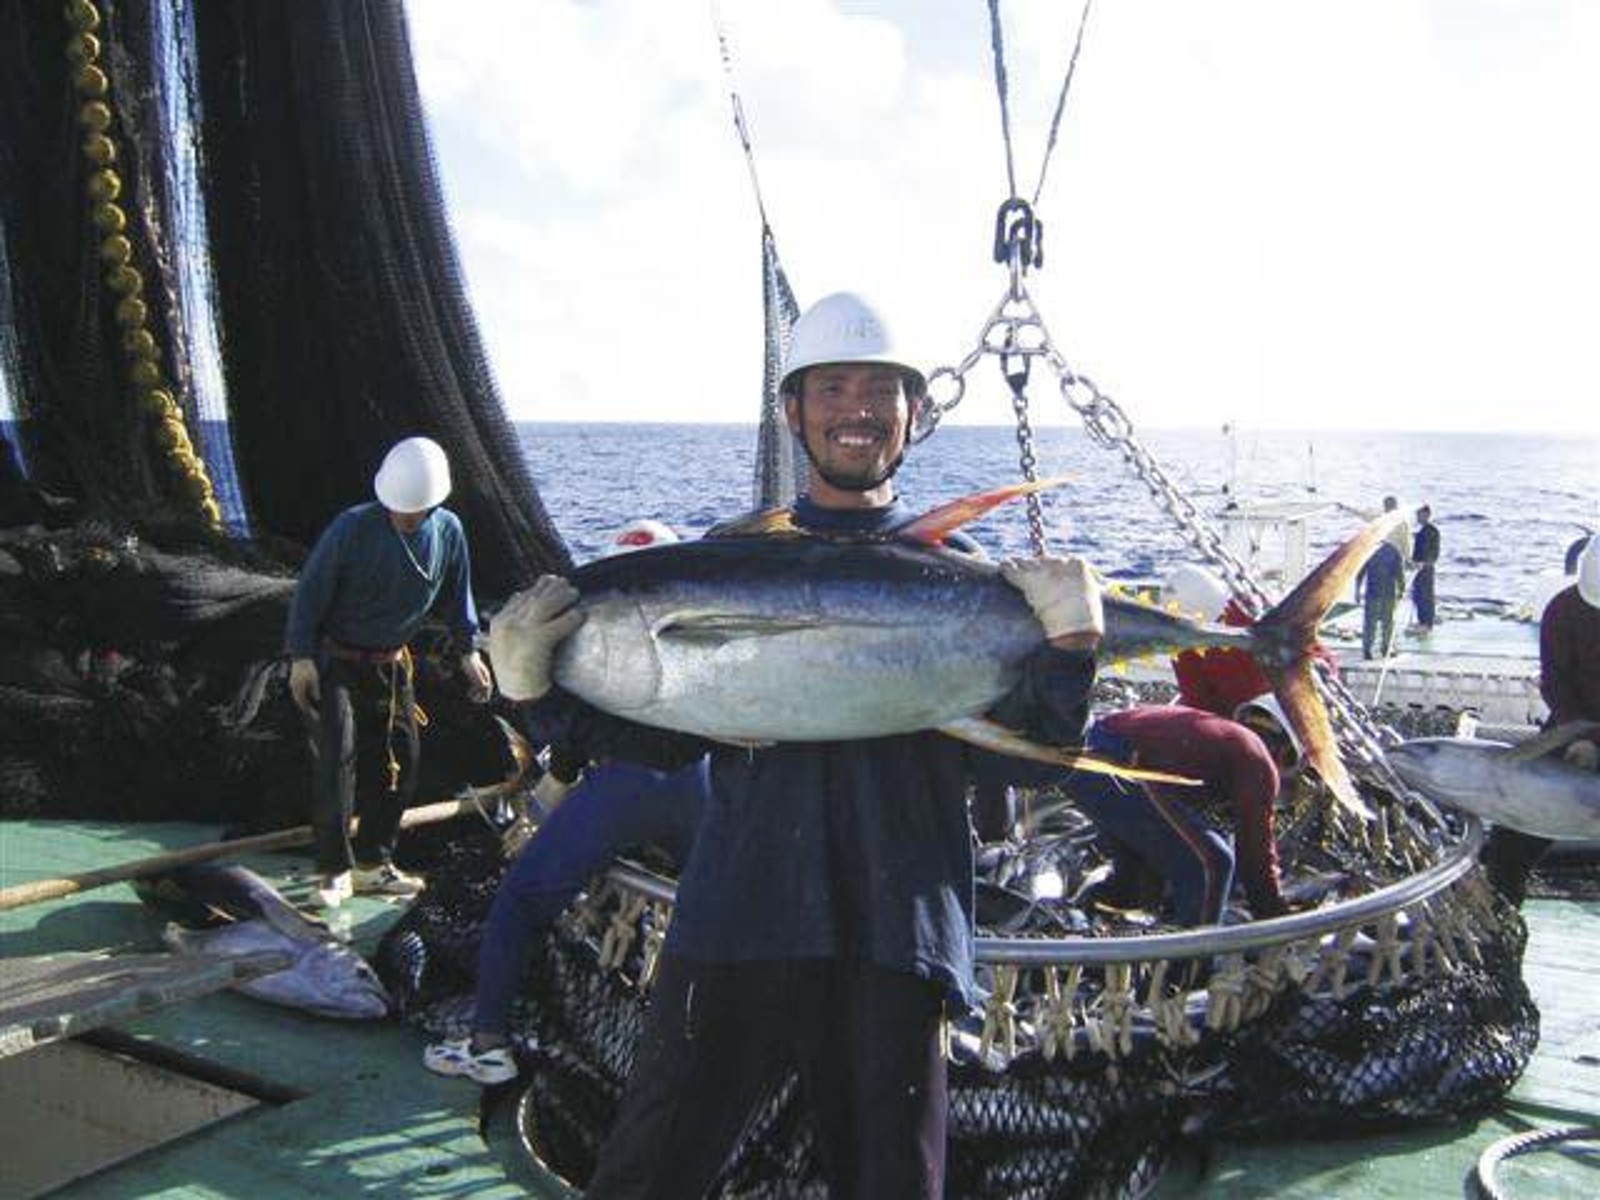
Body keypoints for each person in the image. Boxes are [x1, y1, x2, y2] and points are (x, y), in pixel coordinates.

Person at [490, 291, 1104, 1199]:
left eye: (879, 390)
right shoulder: (730, 555)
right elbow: (649, 742)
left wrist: (1073, 657)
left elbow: (1026, 755)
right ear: (793, 412)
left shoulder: (972, 576)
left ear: (913, 413)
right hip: (741, 915)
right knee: (646, 1177)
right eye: (831, 388)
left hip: (897, 935)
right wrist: (533, 693)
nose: (856, 409)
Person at [284, 436, 493, 908]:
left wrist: (469, 652)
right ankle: (333, 869)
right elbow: (310, 594)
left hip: (393, 664)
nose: (405, 517)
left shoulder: (449, 531)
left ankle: (374, 862)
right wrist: (300, 658)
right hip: (337, 660)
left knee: (403, 758)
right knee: (337, 758)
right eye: (398, 509)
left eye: (415, 511)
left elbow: (460, 596)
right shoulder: (351, 529)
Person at [423, 758, 708, 1084]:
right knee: (718, 917)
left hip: (628, 778)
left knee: (520, 901)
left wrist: (555, 783)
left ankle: (487, 1043)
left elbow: (576, 732)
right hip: (705, 779)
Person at [1066, 699, 1296, 926]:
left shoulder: (1228, 736)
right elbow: (1254, 852)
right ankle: (1194, 961)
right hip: (1117, 761)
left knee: (1136, 887)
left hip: (1090, 750)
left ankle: (1077, 926)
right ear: (1285, 750)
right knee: (1213, 864)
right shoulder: (1256, 759)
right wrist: (1275, 917)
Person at [1482, 535, 1600, 903]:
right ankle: (1501, 917)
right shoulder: (1564, 609)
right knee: (1509, 844)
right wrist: (1581, 739)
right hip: (1571, 727)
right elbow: (1556, 681)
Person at [1355, 535, 1405, 660]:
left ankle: (1368, 650)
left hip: (1373, 592)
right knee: (1387, 622)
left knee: (1370, 623)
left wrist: (1357, 591)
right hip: (1388, 592)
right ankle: (1385, 648)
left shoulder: (1368, 550)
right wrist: (1402, 590)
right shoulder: (1393, 551)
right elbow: (1400, 573)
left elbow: (1359, 574)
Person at [1410, 504, 1440, 630]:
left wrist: (1425, 563)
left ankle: (1427, 623)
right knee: (1417, 594)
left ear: (1427, 515)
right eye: (1417, 515)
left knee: (1426, 596)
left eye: (1420, 515)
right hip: (1418, 568)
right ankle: (1422, 621)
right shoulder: (1421, 531)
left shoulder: (1431, 530)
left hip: (1426, 568)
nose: (1418, 517)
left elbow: (1434, 552)